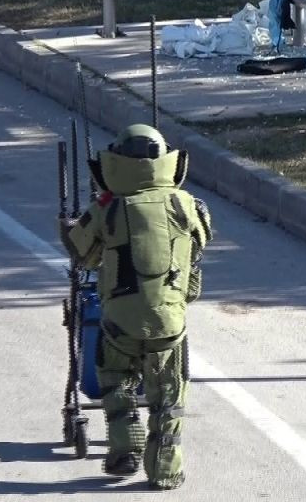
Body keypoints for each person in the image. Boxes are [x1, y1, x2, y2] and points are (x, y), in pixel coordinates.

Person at [60, 124, 212, 491]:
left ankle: (124, 449)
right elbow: (201, 243)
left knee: (115, 380)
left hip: (120, 325)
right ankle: (164, 471)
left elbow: (82, 254)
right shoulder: (187, 204)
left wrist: (67, 227)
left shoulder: (108, 209)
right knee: (169, 397)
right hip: (169, 325)